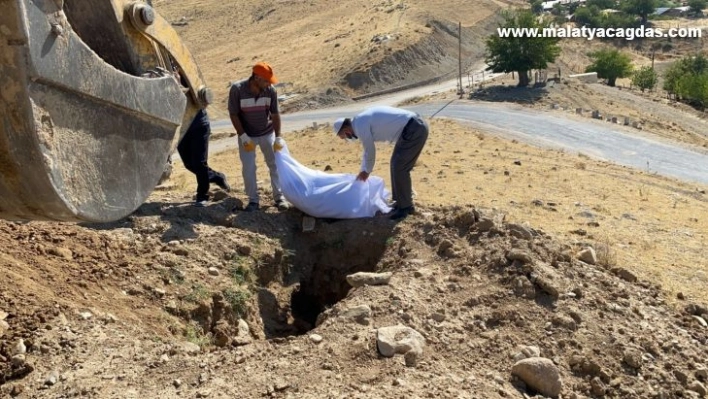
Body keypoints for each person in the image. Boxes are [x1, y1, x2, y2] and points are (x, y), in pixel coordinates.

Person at [333, 105, 429, 220]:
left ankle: (406, 208)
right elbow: (366, 151)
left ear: (346, 130)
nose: (346, 139)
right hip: (410, 129)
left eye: (343, 137)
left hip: (414, 128)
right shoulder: (360, 121)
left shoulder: (360, 125)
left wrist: (366, 172)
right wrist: (363, 170)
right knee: (395, 165)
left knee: (400, 167)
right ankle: (400, 203)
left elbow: (370, 151)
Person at [228, 62, 289, 212]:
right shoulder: (237, 90)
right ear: (256, 77)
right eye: (266, 80)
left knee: (275, 164)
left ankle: (279, 197)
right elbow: (233, 114)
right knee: (248, 168)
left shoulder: (270, 91)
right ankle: (253, 201)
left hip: (267, 133)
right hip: (247, 135)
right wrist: (243, 136)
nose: (269, 84)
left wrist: (278, 136)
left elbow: (275, 114)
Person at [177, 108, 231, 207]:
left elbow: (204, 99)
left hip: (199, 125)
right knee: (189, 164)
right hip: (182, 130)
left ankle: (202, 196)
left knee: (199, 162)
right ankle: (217, 177)